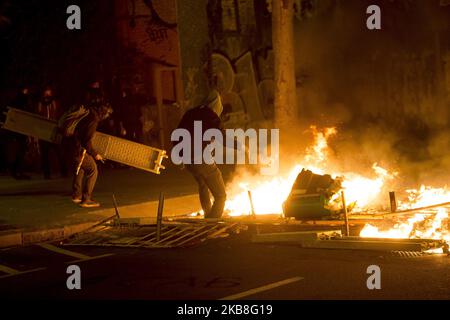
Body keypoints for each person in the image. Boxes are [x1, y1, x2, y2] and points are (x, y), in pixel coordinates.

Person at [175, 90, 227, 219]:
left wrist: (180, 155)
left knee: (203, 185)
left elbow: (177, 135)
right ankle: (212, 221)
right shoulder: (212, 116)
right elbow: (223, 138)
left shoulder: (190, 113)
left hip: (188, 160)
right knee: (221, 196)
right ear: (217, 103)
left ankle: (208, 214)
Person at [71, 102, 113, 208]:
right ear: (103, 112)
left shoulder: (88, 114)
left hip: (73, 145)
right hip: (79, 149)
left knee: (81, 168)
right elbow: (87, 141)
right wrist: (95, 154)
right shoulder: (93, 121)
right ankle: (86, 199)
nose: (108, 116)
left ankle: (77, 195)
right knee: (93, 170)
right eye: (107, 114)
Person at [36, 87, 68, 179]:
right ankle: (47, 174)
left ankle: (64, 172)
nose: (47, 95)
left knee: (60, 153)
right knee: (45, 155)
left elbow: (60, 115)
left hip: (55, 132)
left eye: (49, 93)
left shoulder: (55, 103)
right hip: (44, 132)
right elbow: (37, 116)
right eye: (46, 93)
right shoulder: (40, 104)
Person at [8, 86, 33, 179]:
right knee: (20, 151)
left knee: (21, 151)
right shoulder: (20, 101)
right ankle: (16, 170)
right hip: (19, 130)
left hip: (21, 129)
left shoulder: (22, 100)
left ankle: (17, 170)